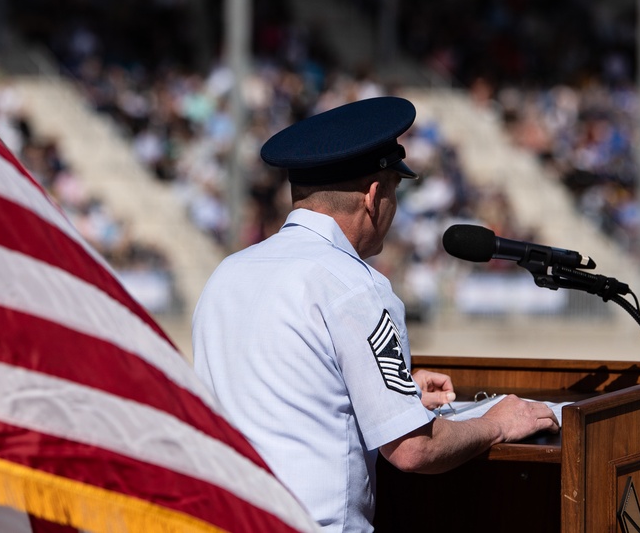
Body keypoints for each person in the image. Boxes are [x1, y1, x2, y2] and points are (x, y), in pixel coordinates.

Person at [192, 96, 559, 532]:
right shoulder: (351, 283)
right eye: (394, 191)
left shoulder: (227, 273)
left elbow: (286, 390)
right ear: (374, 195)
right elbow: (413, 450)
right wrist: (497, 423)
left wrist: (395, 394)